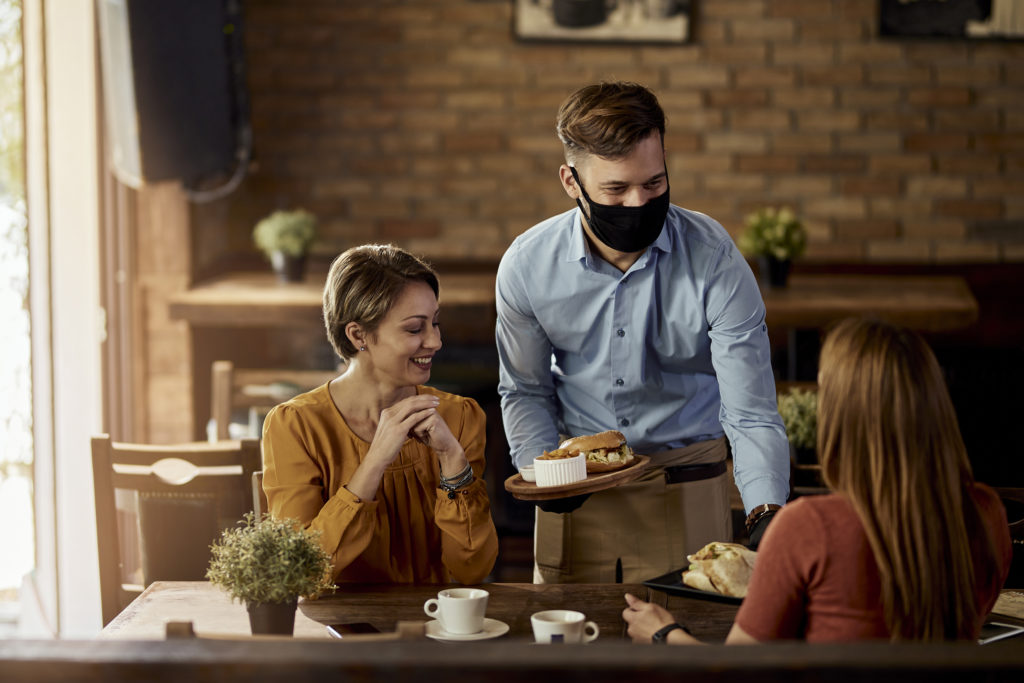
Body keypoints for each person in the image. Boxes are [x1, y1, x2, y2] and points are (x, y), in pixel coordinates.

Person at [495, 81, 790, 584]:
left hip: (688, 484)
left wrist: (767, 512)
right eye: (615, 189)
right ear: (571, 181)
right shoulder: (526, 265)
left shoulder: (715, 258)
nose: (637, 202)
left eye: (654, 184)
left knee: (691, 651)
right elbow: (524, 390)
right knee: (570, 655)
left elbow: (751, 410)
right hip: (576, 490)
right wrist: (544, 477)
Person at [623, 317, 1012, 643]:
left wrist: (663, 632)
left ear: (844, 417)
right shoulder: (986, 513)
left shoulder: (808, 527)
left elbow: (738, 672)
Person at [262, 244, 499, 583]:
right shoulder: (296, 426)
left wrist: (452, 459)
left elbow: (472, 568)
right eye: (415, 329)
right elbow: (300, 574)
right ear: (359, 335)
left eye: (435, 324)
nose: (435, 342)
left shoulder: (459, 417)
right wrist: (374, 463)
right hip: (339, 629)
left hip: (438, 625)